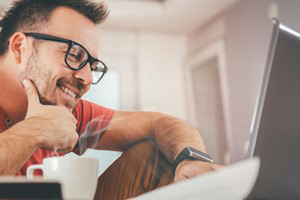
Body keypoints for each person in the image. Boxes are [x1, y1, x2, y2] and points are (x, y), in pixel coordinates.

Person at [0, 0, 222, 199]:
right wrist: (36, 130)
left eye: (93, 66)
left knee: (158, 156)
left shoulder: (65, 112)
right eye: (74, 54)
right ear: (20, 47)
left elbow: (161, 124)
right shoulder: (49, 116)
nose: (86, 79)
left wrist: (192, 159)